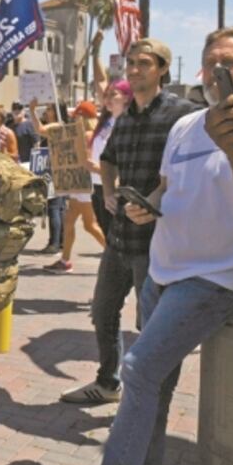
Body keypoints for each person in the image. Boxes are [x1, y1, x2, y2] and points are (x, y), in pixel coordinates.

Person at [46, 27, 233, 465]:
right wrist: (148, 208)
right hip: (162, 272)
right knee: (152, 383)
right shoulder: (186, 125)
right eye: (210, 61)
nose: (218, 71)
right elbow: (165, 186)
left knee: (137, 371)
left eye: (232, 63)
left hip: (216, 280)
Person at [60, 38, 197, 404]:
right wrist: (107, 189)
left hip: (158, 241)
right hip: (120, 238)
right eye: (131, 63)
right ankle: (108, 383)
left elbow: (190, 173)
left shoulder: (182, 115)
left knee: (150, 324)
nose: (134, 69)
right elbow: (107, 159)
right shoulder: (125, 118)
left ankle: (148, 396)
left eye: (144, 63)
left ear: (162, 69)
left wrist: (156, 200)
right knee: (102, 312)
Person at [43, 100, 106, 273]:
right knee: (70, 221)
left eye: (76, 116)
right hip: (82, 184)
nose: (73, 119)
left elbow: (82, 157)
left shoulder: (87, 135)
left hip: (86, 183)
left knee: (89, 225)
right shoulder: (93, 134)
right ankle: (65, 260)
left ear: (82, 117)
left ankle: (114, 257)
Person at [90, 81, 133, 237]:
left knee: (118, 237)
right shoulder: (106, 122)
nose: (107, 98)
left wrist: (98, 168)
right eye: (106, 95)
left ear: (127, 97)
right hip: (98, 186)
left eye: (113, 94)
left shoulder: (130, 122)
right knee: (107, 235)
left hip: (117, 188)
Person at [30, 101, 68, 255]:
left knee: (54, 207)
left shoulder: (57, 126)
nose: (46, 112)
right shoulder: (61, 125)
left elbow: (39, 129)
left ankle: (54, 243)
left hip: (55, 171)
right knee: (59, 208)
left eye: (49, 109)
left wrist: (32, 111)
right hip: (58, 170)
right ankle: (60, 241)